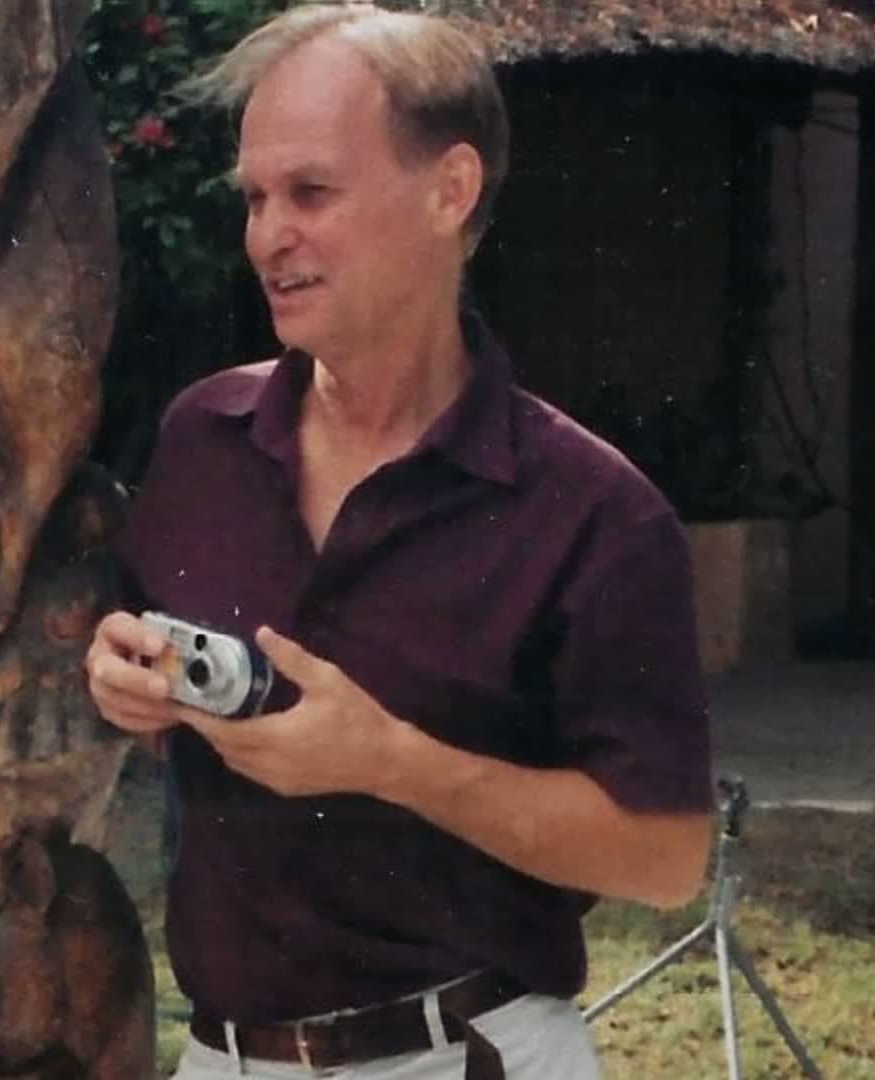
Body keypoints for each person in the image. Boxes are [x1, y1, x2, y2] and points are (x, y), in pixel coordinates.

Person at [84, 7, 713, 1079]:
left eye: (310, 192)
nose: (267, 237)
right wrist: (125, 683)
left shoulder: (594, 512)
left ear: (450, 189)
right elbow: (148, 696)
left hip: (463, 1054)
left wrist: (395, 765)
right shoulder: (203, 438)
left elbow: (666, 854)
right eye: (255, 198)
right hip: (221, 1058)